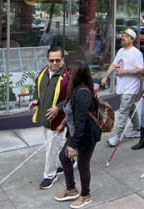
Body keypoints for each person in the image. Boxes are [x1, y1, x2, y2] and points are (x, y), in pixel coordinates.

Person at [55, 60, 101, 208]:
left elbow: (81, 123)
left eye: (69, 70)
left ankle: (86, 195)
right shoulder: (74, 88)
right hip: (76, 132)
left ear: (75, 73)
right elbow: (70, 113)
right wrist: (62, 124)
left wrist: (73, 146)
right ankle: (71, 189)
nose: (67, 72)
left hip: (85, 134)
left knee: (82, 164)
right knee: (63, 156)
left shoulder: (82, 93)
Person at [28, 46, 75, 189]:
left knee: (51, 148)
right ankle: (69, 161)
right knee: (57, 144)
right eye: (51, 60)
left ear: (63, 59)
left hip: (58, 121)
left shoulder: (69, 76)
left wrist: (58, 108)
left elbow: (72, 97)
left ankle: (50, 175)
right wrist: (36, 99)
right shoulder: (44, 71)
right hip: (44, 117)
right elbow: (37, 87)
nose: (54, 63)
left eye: (57, 60)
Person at [101, 28, 144, 146]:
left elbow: (140, 70)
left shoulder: (137, 53)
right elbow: (114, 65)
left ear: (132, 39)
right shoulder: (120, 51)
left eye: (126, 36)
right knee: (130, 108)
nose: (122, 38)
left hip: (130, 88)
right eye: (122, 35)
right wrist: (106, 77)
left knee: (123, 111)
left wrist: (126, 71)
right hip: (121, 87)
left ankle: (117, 135)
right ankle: (137, 129)